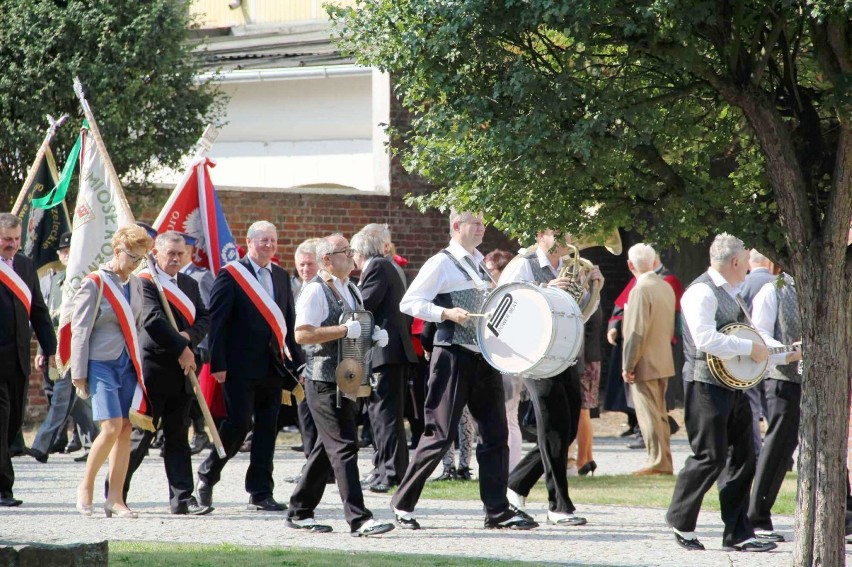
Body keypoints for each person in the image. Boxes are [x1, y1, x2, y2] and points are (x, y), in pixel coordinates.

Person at [391, 210, 537, 531]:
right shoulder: (441, 262)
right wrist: (445, 312)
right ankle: (403, 503)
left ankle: (497, 510)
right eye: (476, 223)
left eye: (484, 224)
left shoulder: (478, 260)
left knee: (495, 434)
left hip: (483, 358)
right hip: (453, 355)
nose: (482, 228)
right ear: (457, 227)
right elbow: (410, 302)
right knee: (440, 433)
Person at [665, 233, 798, 552]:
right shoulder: (701, 291)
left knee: (744, 457)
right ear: (736, 262)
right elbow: (704, 339)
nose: (750, 270)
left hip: (734, 386)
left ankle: (738, 533)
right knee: (709, 455)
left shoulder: (735, 292)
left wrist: (786, 353)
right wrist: (750, 348)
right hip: (704, 385)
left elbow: (754, 344)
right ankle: (680, 520)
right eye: (746, 263)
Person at [286, 233, 394, 536]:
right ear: (326, 260)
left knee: (326, 448)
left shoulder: (352, 290)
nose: (351, 254)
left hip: (347, 379)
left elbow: (355, 329)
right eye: (344, 251)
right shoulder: (315, 291)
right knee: (345, 447)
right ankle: (359, 519)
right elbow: (303, 334)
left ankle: (299, 510)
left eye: (351, 250)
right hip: (322, 380)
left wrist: (372, 335)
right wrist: (344, 330)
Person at [195, 220, 304, 512]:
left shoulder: (281, 275)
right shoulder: (231, 275)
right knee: (238, 425)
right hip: (238, 367)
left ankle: (260, 491)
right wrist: (218, 362)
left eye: (273, 240)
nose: (269, 245)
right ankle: (207, 475)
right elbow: (217, 322)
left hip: (273, 366)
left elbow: (288, 323)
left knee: (268, 428)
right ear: (249, 242)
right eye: (263, 240)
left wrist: (299, 363)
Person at [499, 230, 602, 526]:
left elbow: (577, 314)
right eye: (557, 233)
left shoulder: (568, 265)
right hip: (536, 356)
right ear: (540, 235)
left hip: (564, 353)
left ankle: (515, 484)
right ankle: (558, 506)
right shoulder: (523, 264)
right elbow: (503, 306)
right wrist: (544, 288)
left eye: (568, 233)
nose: (566, 238)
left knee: (566, 430)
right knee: (555, 428)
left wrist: (594, 291)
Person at [120, 231, 212, 515]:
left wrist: (188, 339)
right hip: (154, 371)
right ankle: (116, 492)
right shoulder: (145, 282)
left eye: (180, 253)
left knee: (178, 438)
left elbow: (204, 317)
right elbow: (153, 321)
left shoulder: (188, 283)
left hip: (183, 371)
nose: (176, 258)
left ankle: (182, 498)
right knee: (140, 438)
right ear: (156, 254)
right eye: (170, 253)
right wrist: (182, 348)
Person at [71, 224, 153, 518]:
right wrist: (78, 372)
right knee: (111, 427)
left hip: (128, 363)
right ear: (116, 251)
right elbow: (80, 329)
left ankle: (115, 498)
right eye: (132, 256)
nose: (135, 264)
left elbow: (139, 324)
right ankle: (86, 486)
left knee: (126, 428)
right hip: (100, 363)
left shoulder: (137, 284)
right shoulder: (95, 282)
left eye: (140, 259)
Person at [351, 228, 418, 493]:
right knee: (378, 414)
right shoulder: (386, 265)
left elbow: (365, 304)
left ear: (362, 251)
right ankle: (382, 467)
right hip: (389, 352)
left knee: (385, 415)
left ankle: (391, 472)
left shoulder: (377, 266)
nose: (353, 258)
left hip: (386, 353)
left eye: (354, 252)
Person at [27, 231, 98, 464]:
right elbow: (46, 318)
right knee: (76, 400)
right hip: (56, 347)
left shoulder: (86, 281)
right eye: (64, 251)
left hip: (78, 345)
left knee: (63, 398)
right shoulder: (54, 281)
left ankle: (41, 445)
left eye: (71, 251)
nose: (67, 255)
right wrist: (41, 350)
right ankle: (94, 443)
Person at [0, 212, 56, 506]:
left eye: (16, 239)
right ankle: (4, 489)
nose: (12, 245)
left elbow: (39, 313)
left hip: (19, 360)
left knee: (14, 424)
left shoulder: (24, 265)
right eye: (6, 240)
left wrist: (51, 349)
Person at [747, 272, 802, 542]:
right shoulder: (772, 291)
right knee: (778, 447)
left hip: (824, 381)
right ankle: (757, 515)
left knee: (831, 446)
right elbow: (761, 336)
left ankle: (846, 513)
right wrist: (791, 351)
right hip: (784, 380)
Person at [621, 243, 676, 476]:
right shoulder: (665, 287)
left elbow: (636, 331)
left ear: (630, 265)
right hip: (663, 358)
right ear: (654, 262)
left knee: (649, 416)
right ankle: (663, 460)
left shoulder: (640, 290)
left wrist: (628, 365)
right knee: (659, 414)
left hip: (645, 361)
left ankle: (657, 461)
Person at [484, 248, 523, 470]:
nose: (487, 275)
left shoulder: (507, 295)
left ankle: (510, 470)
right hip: (504, 360)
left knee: (509, 417)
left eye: (490, 270)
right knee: (508, 417)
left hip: (508, 361)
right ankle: (508, 468)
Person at [180, 234, 215, 455]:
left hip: (197, 344)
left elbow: (208, 312)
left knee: (190, 390)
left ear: (191, 252)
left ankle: (200, 433)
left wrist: (199, 342)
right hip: (174, 346)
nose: (178, 256)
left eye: (182, 251)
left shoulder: (201, 277)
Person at [740, 249, 777, 456]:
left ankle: (756, 450)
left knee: (753, 406)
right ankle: (778, 453)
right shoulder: (777, 283)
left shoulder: (742, 284)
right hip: (774, 352)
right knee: (772, 406)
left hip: (750, 353)